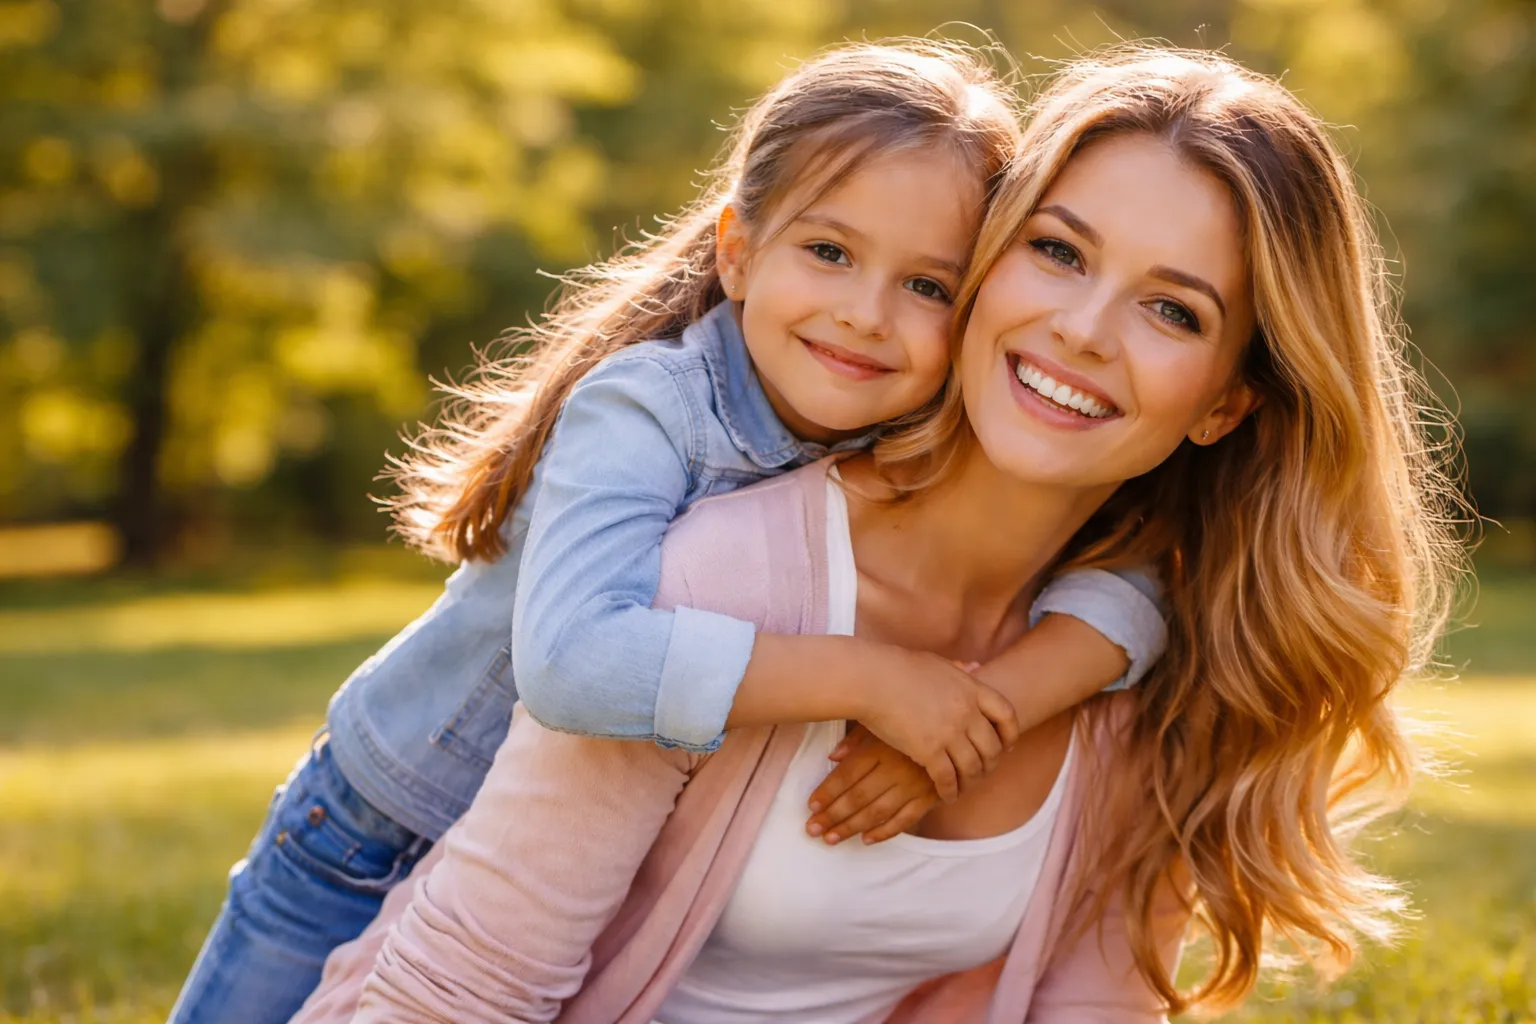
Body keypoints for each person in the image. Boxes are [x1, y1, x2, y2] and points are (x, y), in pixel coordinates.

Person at [289, 43, 1464, 1023]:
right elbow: (462, 991)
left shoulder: (1150, 659)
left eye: (1173, 309)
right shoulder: (718, 576)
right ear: (987, 263)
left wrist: (1003, 697)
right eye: (1058, 252)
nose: (1084, 329)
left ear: (1227, 401)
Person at [170, 40, 1166, 1024]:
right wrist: (873, 679)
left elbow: (1142, 584)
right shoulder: (649, 409)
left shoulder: (903, 423)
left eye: (927, 287)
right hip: (376, 822)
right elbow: (574, 664)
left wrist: (1000, 703)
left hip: (562, 868)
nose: (867, 315)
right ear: (738, 252)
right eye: (829, 252)